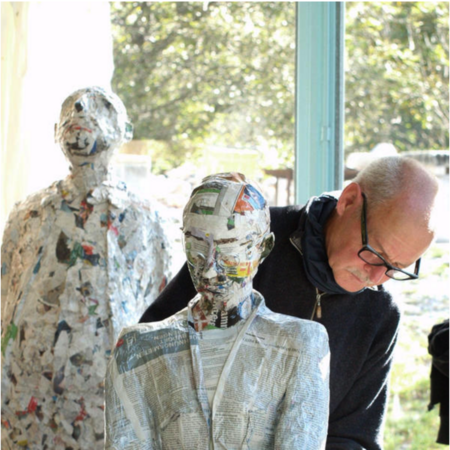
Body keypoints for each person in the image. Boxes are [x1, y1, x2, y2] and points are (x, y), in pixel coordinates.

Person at [140, 156, 439, 450]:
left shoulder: (380, 313)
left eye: (396, 267)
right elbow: (150, 356)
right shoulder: (244, 244)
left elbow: (355, 436)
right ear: (348, 201)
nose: (375, 277)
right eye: (375, 252)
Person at [105, 173, 330, 449]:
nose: (210, 269)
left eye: (229, 249)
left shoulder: (301, 345)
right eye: (197, 246)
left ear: (263, 248)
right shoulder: (136, 350)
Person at [1, 87, 170, 449]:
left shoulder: (146, 218)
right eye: (70, 108)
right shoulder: (28, 213)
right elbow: (6, 294)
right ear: (55, 131)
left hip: (106, 392)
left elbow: (158, 309)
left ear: (124, 130)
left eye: (101, 107)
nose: (80, 110)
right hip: (31, 392)